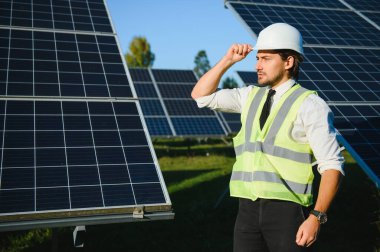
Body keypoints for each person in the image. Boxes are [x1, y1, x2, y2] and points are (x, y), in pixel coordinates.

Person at [191, 23, 344, 252]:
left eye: (265, 59)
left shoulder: (311, 105)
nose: (257, 65)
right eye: (258, 58)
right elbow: (200, 96)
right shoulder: (249, 96)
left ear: (289, 62)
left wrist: (316, 216)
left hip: (288, 213)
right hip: (247, 211)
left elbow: (332, 166)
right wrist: (228, 60)